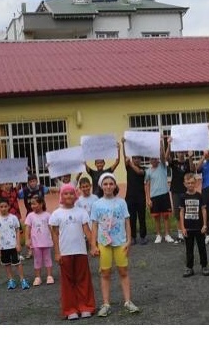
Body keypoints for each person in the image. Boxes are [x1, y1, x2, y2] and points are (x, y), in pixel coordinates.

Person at [90, 173, 140, 316]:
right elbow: (94, 226)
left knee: (123, 271)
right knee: (105, 273)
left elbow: (127, 222)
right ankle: (106, 304)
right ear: (101, 186)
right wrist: (93, 245)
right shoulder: (97, 204)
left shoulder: (121, 202)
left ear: (115, 186)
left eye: (111, 184)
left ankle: (128, 301)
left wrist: (129, 240)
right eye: (105, 184)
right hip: (104, 244)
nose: (108, 186)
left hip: (120, 242)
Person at [50, 183, 97, 321]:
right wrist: (57, 253)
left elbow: (87, 231)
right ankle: (70, 309)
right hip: (65, 252)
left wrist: (93, 246)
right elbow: (54, 234)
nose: (68, 196)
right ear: (61, 196)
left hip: (80, 251)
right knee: (68, 282)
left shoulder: (81, 212)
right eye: (65, 193)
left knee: (83, 280)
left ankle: (86, 307)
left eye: (71, 193)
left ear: (75, 195)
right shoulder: (56, 214)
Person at [0, 198, 30, 290]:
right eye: (1, 206)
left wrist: (18, 244)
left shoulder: (13, 218)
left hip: (13, 245)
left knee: (17, 263)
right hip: (3, 247)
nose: (4, 208)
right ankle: (11, 280)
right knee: (7, 264)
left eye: (5, 206)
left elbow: (17, 231)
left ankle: (22, 280)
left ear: (8, 206)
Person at [179, 172, 209, 277]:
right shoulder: (182, 197)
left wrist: (205, 225)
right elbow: (181, 212)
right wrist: (182, 227)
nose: (190, 185)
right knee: (189, 249)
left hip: (199, 227)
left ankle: (204, 266)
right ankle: (189, 267)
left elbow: (204, 210)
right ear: (184, 184)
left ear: (196, 183)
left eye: (192, 183)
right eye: (188, 183)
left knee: (202, 247)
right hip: (188, 228)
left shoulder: (199, 196)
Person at [166, 137, 196, 243]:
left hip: (186, 191)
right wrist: (169, 145)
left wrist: (191, 157)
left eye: (183, 152)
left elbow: (192, 170)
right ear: (176, 153)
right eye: (179, 152)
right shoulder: (173, 163)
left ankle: (188, 231)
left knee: (187, 211)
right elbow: (166, 158)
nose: (181, 154)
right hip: (175, 191)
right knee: (178, 212)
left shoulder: (188, 162)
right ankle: (180, 234)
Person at [145, 143, 175, 244]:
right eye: (151, 159)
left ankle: (167, 234)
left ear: (158, 159)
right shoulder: (148, 171)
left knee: (166, 216)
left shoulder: (162, 166)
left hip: (164, 194)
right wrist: (148, 199)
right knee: (156, 217)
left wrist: (162, 144)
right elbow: (147, 185)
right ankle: (158, 235)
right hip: (154, 197)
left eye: (155, 158)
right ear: (149, 160)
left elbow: (164, 156)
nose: (154, 160)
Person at [122, 137, 148, 245]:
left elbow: (138, 172)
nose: (136, 160)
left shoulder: (144, 169)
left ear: (141, 160)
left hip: (141, 197)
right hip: (130, 197)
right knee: (131, 218)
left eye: (138, 158)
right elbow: (125, 157)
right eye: (135, 158)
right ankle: (132, 237)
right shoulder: (128, 167)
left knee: (142, 217)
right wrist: (123, 144)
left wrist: (131, 163)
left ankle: (143, 236)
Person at [24, 195, 55, 286]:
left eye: (35, 203)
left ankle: (49, 276)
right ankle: (38, 277)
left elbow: (51, 228)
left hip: (46, 242)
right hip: (35, 243)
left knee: (47, 258)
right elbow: (27, 228)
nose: (33, 206)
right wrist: (27, 239)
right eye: (31, 204)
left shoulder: (47, 215)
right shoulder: (30, 216)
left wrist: (54, 239)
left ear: (41, 204)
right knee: (37, 260)